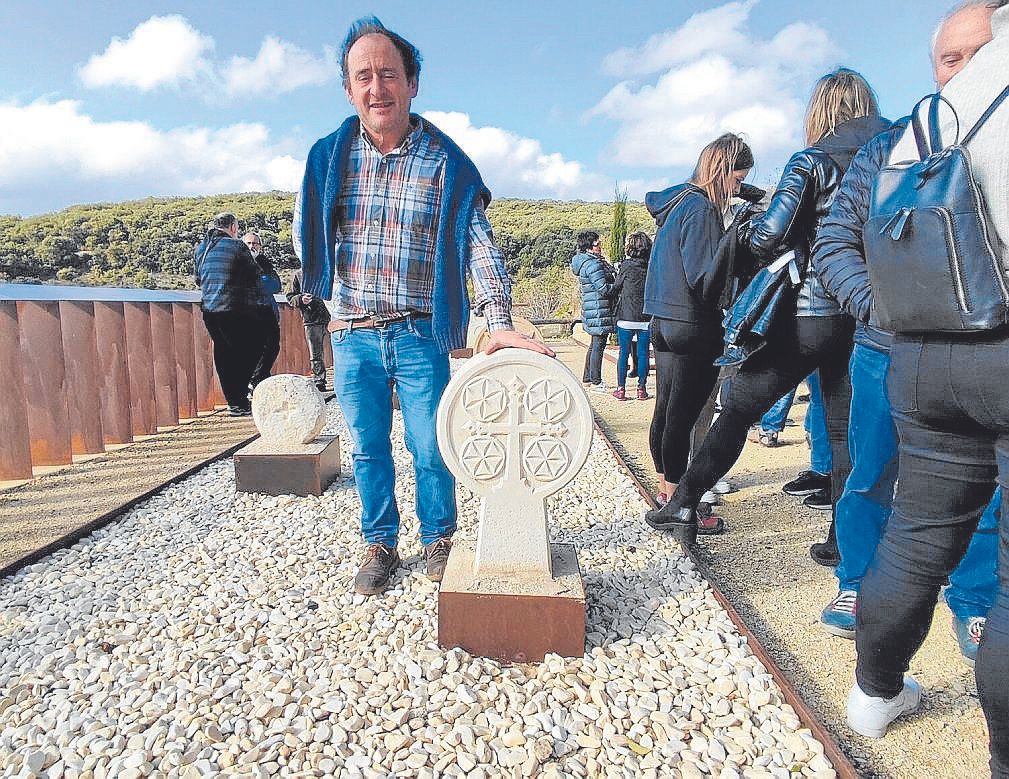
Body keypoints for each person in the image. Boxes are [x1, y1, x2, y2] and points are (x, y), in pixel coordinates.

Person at [294, 16, 551, 597]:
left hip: (418, 332)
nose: (376, 87)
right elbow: (307, 233)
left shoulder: (444, 163)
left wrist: (500, 321)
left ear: (413, 83)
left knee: (432, 444)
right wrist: (329, 300)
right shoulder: (326, 158)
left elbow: (475, 244)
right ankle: (379, 542)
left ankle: (440, 537)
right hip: (354, 332)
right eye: (363, 76)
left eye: (389, 74)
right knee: (366, 446)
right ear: (348, 89)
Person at [814, 1, 1008, 755]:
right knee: (890, 498)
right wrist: (887, 309)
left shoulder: (909, 139)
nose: (959, 69)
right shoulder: (895, 142)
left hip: (924, 358)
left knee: (928, 525)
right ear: (931, 65)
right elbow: (835, 243)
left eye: (976, 53)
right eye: (947, 58)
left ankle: (886, 682)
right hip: (914, 345)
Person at [646, 70, 889, 550]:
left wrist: (749, 229)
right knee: (844, 433)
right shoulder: (891, 160)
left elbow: (768, 237)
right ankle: (843, 538)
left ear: (820, 112)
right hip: (863, 311)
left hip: (810, 311)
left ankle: (684, 503)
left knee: (738, 410)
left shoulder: (812, 161)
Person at [643, 133, 753, 530]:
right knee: (684, 421)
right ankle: (681, 508)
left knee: (665, 414)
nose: (737, 190)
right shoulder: (703, 210)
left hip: (662, 322)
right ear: (723, 172)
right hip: (694, 324)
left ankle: (666, 493)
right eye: (737, 181)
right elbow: (705, 277)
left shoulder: (676, 205)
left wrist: (747, 195)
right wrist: (735, 246)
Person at [194, 214, 270, 416]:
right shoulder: (236, 246)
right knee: (255, 347)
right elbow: (255, 274)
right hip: (236, 308)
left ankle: (235, 402)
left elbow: (197, 278)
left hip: (210, 310)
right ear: (233, 227)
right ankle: (239, 395)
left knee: (224, 353)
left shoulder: (202, 248)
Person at [571, 231, 616, 393]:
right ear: (589, 247)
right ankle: (596, 382)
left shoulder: (583, 262)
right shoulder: (593, 264)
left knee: (594, 345)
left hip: (592, 309)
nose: (600, 247)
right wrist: (618, 286)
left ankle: (588, 378)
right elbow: (603, 289)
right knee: (598, 345)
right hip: (599, 310)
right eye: (597, 244)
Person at [610, 231, 652, 401]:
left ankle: (621, 390)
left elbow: (617, 287)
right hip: (645, 317)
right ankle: (641, 389)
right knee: (643, 354)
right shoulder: (651, 265)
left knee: (623, 353)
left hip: (626, 316)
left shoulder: (626, 266)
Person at [242, 231, 282, 391]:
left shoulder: (265, 263)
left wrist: (257, 282)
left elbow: (276, 285)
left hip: (268, 313)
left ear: (260, 247)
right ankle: (254, 382)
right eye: (249, 243)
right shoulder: (236, 262)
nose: (252, 246)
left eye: (255, 243)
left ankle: (258, 380)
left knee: (273, 347)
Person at [287, 268, 331, 390]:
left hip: (333, 316)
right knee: (315, 353)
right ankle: (319, 380)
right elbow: (290, 297)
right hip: (311, 319)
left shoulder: (328, 269)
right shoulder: (298, 274)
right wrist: (301, 299)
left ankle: (342, 379)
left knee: (341, 350)